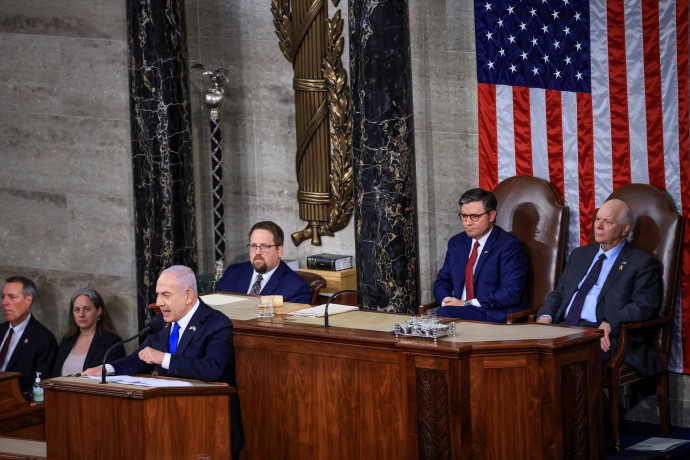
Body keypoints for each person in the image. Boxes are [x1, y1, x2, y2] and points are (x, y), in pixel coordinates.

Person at [82, 265, 244, 454]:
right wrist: (106, 369)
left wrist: (164, 358)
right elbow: (138, 360)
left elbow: (213, 369)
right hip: (170, 424)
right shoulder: (160, 323)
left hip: (212, 425)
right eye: (158, 294)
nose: (159, 302)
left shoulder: (217, 324)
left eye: (166, 295)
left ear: (188, 296)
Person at [536, 199, 662, 376]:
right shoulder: (580, 254)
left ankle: (588, 405)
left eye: (607, 222)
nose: (599, 226)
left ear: (625, 229)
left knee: (566, 363)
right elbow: (560, 293)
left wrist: (610, 321)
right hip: (564, 328)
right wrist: (545, 317)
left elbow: (644, 305)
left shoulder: (641, 263)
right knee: (529, 356)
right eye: (597, 219)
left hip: (600, 333)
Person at [434, 188, 529, 322]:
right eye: (464, 216)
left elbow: (511, 292)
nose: (468, 223)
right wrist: (446, 300)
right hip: (456, 312)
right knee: (438, 317)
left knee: (442, 316)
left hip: (492, 313)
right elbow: (442, 282)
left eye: (474, 217)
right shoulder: (456, 243)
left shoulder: (509, 246)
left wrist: (467, 304)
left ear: (491, 216)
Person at [216, 221, 312, 304]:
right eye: (253, 246)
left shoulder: (296, 287)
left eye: (264, 246)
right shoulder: (232, 273)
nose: (257, 252)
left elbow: (288, 324)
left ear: (279, 250)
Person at [0, 276, 57, 400]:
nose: (4, 303)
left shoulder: (43, 339)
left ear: (28, 301)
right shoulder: (1, 330)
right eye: (3, 297)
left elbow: (40, 389)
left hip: (16, 406)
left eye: (12, 297)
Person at [52, 288, 125, 376]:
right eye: (76, 310)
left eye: (87, 309)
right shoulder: (68, 339)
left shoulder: (112, 342)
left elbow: (113, 380)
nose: (81, 314)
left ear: (99, 311)